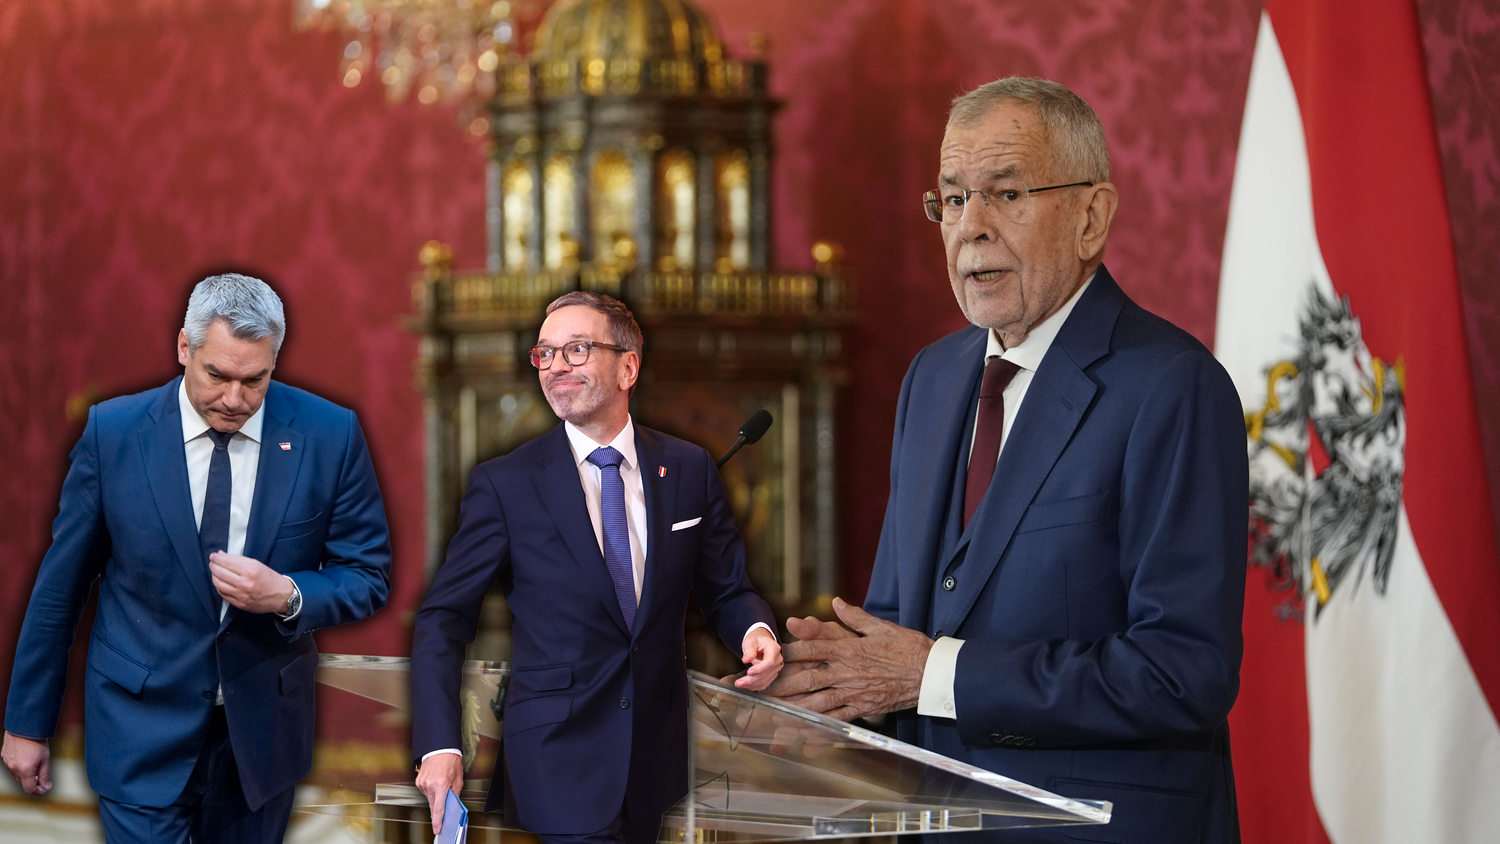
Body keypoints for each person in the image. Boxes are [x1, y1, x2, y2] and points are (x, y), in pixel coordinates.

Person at [765, 77, 1247, 844]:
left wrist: (937, 676)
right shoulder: (932, 378)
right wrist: (816, 690)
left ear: (1092, 217)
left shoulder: (1173, 386)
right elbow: (897, 632)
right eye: (952, 200)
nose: (972, 228)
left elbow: (1181, 673)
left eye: (1007, 194)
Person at [2, 273, 393, 843]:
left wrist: (288, 595)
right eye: (217, 375)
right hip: (139, 728)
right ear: (184, 347)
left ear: (275, 362)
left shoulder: (328, 433)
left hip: (260, 739)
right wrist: (26, 724)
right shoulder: (114, 434)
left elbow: (368, 574)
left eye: (254, 380)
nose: (234, 399)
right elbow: (60, 591)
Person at [410, 291, 783, 844]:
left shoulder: (687, 468)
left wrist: (757, 632)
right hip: (558, 759)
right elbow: (443, 618)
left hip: (659, 764)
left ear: (628, 366)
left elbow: (727, 591)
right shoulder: (507, 483)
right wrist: (440, 744)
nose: (556, 364)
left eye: (577, 350)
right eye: (545, 353)